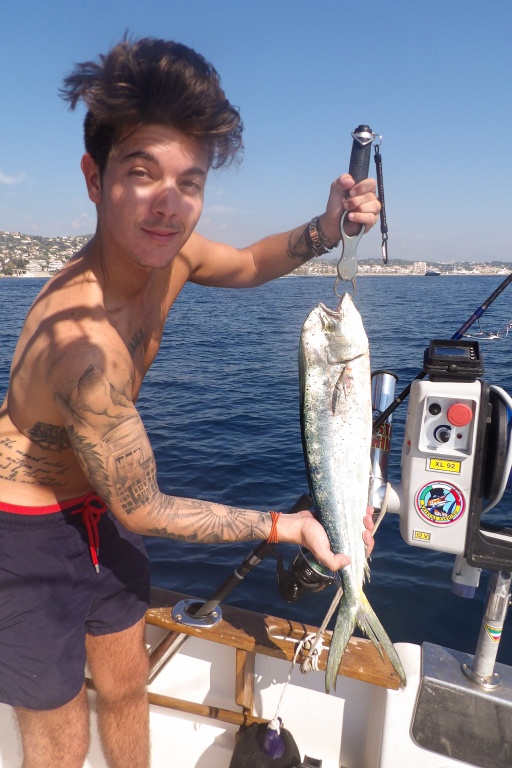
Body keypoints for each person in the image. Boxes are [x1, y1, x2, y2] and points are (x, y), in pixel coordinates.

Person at [0, 37, 380, 767]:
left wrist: (326, 228)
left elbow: (246, 264)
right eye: (141, 174)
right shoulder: (82, 345)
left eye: (190, 181)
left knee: (126, 682)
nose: (168, 205)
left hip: (100, 506)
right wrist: (283, 525)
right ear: (94, 176)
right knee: (59, 731)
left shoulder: (174, 252)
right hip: (26, 530)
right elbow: (143, 507)